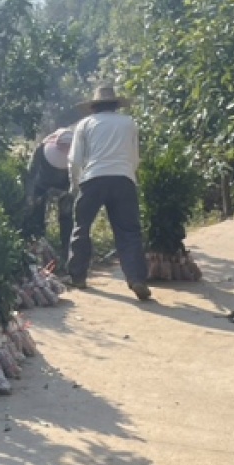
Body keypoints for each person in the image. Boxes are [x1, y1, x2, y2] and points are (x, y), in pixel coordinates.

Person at [66, 84, 152, 302]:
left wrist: (75, 185)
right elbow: (134, 158)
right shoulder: (128, 123)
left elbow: (74, 160)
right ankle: (137, 279)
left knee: (82, 227)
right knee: (129, 232)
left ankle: (78, 276)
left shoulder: (85, 124)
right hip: (123, 179)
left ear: (94, 106)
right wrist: (128, 176)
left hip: (93, 178)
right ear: (115, 105)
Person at [22, 127, 75, 264]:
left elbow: (79, 176)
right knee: (37, 217)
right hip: (42, 185)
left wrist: (69, 192)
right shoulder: (41, 149)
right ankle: (40, 253)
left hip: (65, 187)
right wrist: (30, 196)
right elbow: (31, 173)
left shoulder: (79, 153)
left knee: (67, 219)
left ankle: (68, 254)